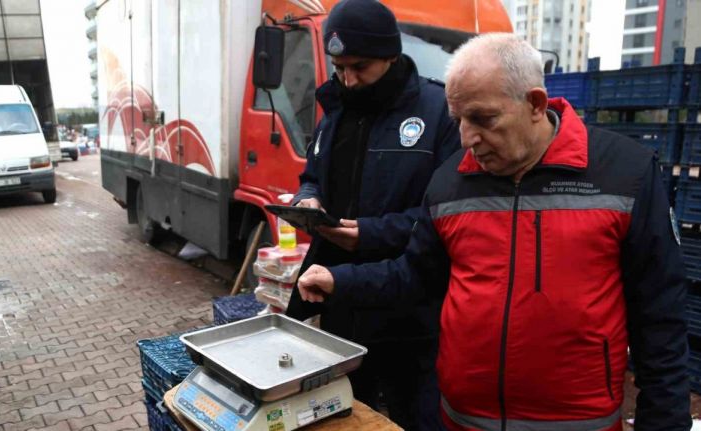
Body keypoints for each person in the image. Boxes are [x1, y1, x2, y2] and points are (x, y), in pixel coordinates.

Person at [296, 33, 691, 431]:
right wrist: (340, 279)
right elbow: (416, 276)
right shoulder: (449, 182)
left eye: (483, 119)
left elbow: (660, 320)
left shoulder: (625, 175)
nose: (467, 139)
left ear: (535, 104)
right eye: (458, 120)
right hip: (464, 422)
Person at [285, 0, 460, 429]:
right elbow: (312, 176)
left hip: (412, 310)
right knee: (348, 416)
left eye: (359, 67)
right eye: (339, 67)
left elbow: (446, 217)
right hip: (343, 301)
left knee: (414, 416)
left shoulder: (440, 114)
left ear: (391, 55)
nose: (348, 79)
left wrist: (370, 234)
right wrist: (307, 200)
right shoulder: (335, 116)